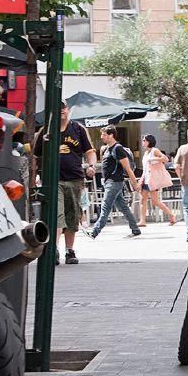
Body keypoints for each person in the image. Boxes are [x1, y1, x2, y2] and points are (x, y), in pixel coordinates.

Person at [32, 100, 97, 264]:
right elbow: (35, 156)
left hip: (74, 179)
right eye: (57, 108)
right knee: (57, 215)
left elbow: (89, 151)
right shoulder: (45, 131)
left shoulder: (78, 129)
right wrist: (33, 180)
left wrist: (91, 166)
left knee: (72, 216)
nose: (61, 110)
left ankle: (70, 251)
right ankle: (54, 250)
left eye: (63, 107)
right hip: (53, 180)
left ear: (68, 110)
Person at [86, 125, 141, 239]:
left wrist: (135, 183)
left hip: (114, 182)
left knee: (105, 207)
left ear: (111, 135)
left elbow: (128, 168)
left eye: (104, 135)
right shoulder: (107, 149)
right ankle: (135, 229)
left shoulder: (117, 148)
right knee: (123, 208)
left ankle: (94, 232)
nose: (102, 137)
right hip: (109, 182)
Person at [137, 134, 177, 226]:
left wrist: (153, 159)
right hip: (146, 179)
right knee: (142, 200)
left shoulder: (154, 150)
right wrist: (141, 180)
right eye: (143, 140)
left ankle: (171, 215)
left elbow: (166, 159)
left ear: (149, 141)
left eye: (144, 140)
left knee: (155, 201)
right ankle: (142, 221)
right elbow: (145, 168)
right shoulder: (146, 153)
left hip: (152, 180)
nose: (143, 142)